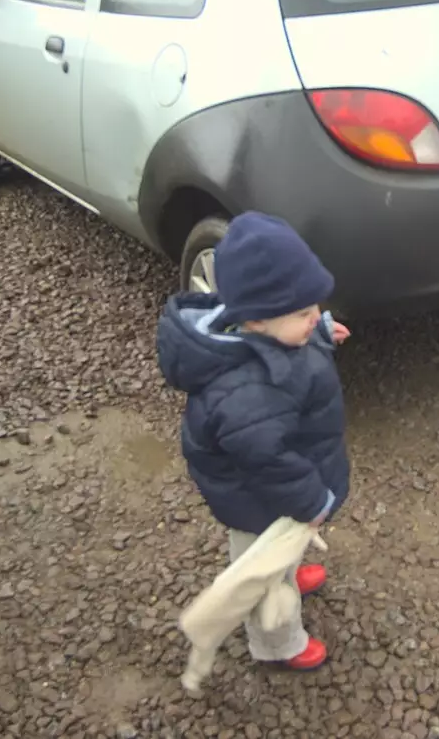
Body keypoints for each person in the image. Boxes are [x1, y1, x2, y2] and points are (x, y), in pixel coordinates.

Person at [155, 212, 352, 671]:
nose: (315, 318)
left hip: (277, 491)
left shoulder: (271, 338)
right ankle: (277, 643)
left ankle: (287, 567)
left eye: (315, 310)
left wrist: (318, 335)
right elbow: (270, 462)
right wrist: (312, 502)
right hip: (258, 499)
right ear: (259, 319)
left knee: (285, 545)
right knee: (261, 578)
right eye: (305, 314)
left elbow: (289, 356)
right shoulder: (248, 393)